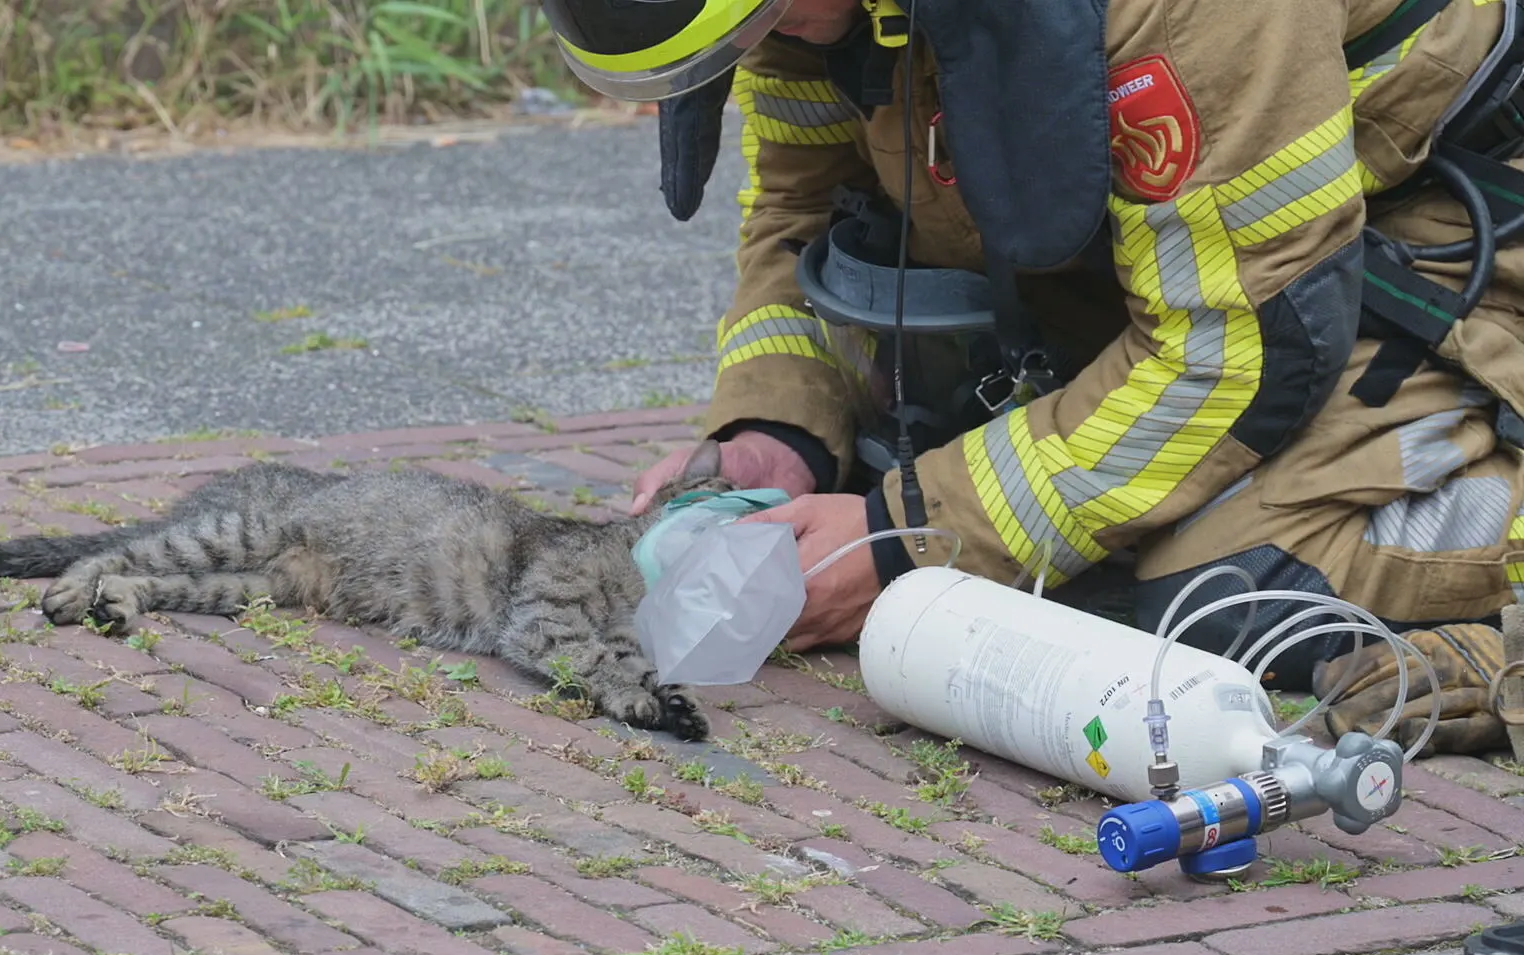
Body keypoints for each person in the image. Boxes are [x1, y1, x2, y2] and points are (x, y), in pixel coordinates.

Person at [538, 0, 1524, 755]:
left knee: (1215, 588)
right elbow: (804, 217)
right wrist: (778, 433)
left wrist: (903, 538)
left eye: (774, 13)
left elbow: (1240, 353)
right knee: (950, 465)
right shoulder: (790, 19)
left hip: (1437, 240)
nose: (772, 40)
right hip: (1202, 241)